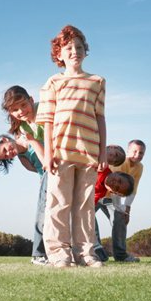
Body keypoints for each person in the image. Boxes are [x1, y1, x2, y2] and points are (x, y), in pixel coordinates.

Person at [35, 24, 107, 268]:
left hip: (89, 152)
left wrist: (103, 150)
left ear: (85, 51)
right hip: (61, 152)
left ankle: (86, 253)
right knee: (59, 203)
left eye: (79, 47)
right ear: (59, 54)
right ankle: (58, 253)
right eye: (68, 48)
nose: (74, 51)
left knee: (85, 206)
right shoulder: (53, 82)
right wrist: (48, 155)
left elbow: (100, 118)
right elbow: (47, 121)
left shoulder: (97, 81)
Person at [1, 85, 47, 266]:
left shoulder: (41, 115)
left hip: (58, 164)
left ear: (31, 100)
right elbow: (34, 168)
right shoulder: (24, 129)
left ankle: (92, 248)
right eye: (14, 110)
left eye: (23, 106)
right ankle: (40, 253)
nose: (20, 111)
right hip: (47, 172)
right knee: (47, 212)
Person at [94, 139, 146, 262]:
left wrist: (127, 208)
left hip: (109, 198)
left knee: (120, 218)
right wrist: (120, 208)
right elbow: (115, 188)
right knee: (88, 219)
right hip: (100, 194)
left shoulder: (139, 167)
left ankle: (121, 255)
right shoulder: (122, 163)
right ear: (128, 151)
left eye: (141, 153)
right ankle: (96, 251)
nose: (137, 155)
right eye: (134, 151)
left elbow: (133, 189)